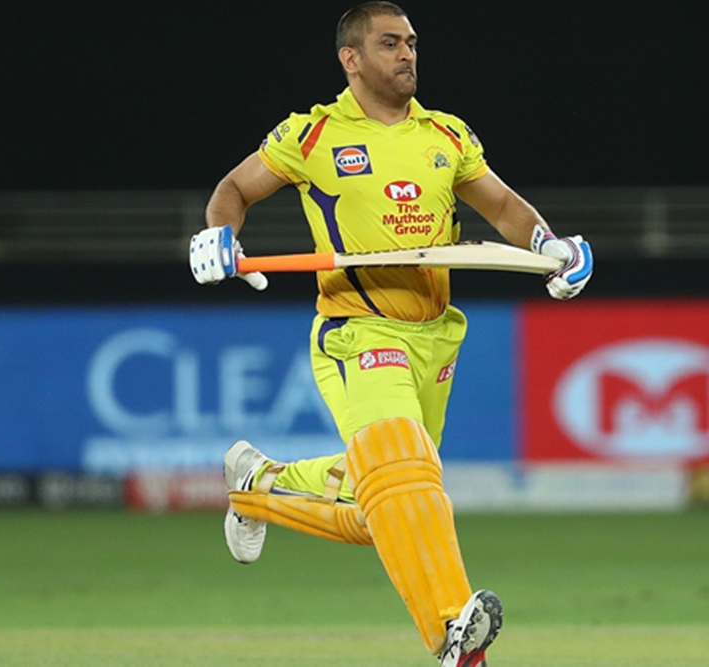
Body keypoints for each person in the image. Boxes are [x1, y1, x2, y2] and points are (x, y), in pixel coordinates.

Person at [187, 3, 593, 666]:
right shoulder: (313, 134)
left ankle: (258, 485)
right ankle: (452, 632)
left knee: (383, 509)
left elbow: (502, 207)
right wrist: (218, 236)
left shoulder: (447, 135)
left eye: (411, 43)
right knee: (405, 473)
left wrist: (550, 245)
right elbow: (234, 188)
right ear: (351, 58)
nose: (407, 54)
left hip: (435, 338)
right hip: (356, 330)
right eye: (389, 43)